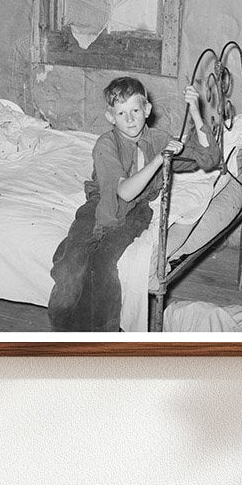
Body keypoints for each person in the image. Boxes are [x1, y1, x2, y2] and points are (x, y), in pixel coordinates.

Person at [48, 77, 220, 331]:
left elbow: (208, 158)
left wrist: (195, 111)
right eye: (121, 113)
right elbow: (124, 192)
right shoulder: (105, 144)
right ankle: (61, 331)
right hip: (99, 207)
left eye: (135, 111)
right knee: (70, 264)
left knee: (103, 266)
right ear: (110, 117)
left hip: (136, 213)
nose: (129, 119)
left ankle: (102, 336)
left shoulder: (158, 139)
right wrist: (158, 161)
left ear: (147, 110)